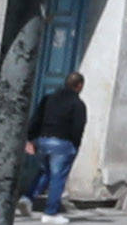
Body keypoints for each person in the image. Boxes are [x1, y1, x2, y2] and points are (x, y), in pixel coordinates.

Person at [30, 75, 87, 216]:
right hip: (62, 144)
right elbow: (78, 127)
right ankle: (50, 212)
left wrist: (31, 138)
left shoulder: (48, 98)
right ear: (79, 85)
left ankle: (27, 198)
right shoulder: (77, 104)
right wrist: (75, 146)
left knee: (44, 172)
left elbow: (36, 118)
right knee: (58, 177)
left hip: (43, 140)